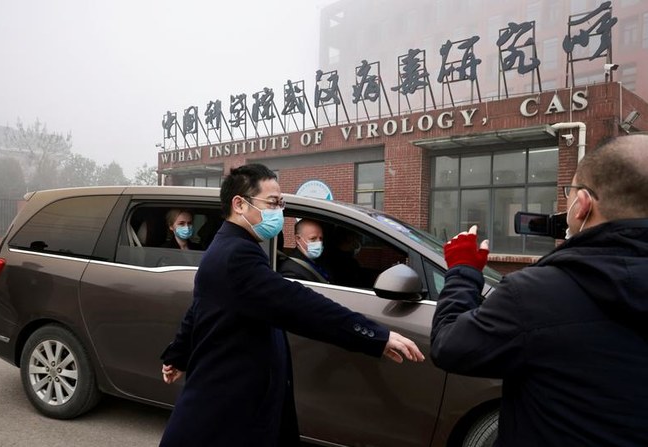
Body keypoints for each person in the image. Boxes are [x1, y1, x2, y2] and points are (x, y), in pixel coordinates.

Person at [159, 163, 424, 447]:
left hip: (236, 393)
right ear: (239, 204)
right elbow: (298, 305)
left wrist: (177, 354)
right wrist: (376, 336)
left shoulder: (231, 245)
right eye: (272, 202)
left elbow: (200, 306)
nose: (279, 211)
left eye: (281, 203)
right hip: (230, 398)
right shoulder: (235, 255)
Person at [430, 134, 648, 446]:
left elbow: (449, 346)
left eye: (568, 194)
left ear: (583, 204)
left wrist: (463, 272)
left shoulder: (536, 294)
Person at [279, 218, 331, 283]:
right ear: (297, 239)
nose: (319, 243)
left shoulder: (317, 260)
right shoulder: (291, 269)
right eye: (313, 239)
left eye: (320, 238)